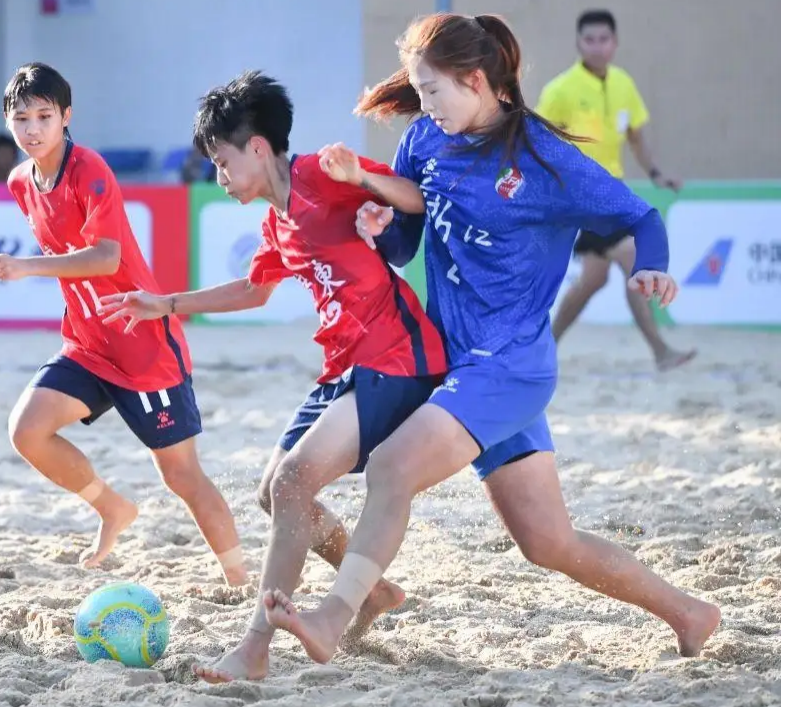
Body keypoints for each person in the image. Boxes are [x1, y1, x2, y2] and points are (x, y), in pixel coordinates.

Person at [259, 13, 721, 668]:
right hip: (456, 364)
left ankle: (332, 617)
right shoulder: (425, 139)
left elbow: (639, 213)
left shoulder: (542, 158)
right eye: (417, 94)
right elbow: (405, 243)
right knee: (546, 540)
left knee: (392, 466)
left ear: (476, 80)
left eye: (433, 91)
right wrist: (378, 222)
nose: (423, 108)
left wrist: (652, 264)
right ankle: (690, 612)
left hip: (506, 367)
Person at [96, 71, 445, 683]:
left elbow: (417, 199)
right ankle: (372, 591)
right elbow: (255, 291)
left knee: (291, 483)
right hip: (343, 367)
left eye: (222, 162)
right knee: (273, 493)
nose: (219, 177)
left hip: (397, 357)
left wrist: (364, 181)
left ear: (258, 147)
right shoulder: (276, 221)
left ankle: (254, 648)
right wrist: (164, 303)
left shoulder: (320, 175)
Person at [0, 62, 249, 585]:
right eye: (21, 118)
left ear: (66, 117)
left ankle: (240, 583)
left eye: (43, 116)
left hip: (141, 342)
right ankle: (112, 508)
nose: (32, 129)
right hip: (88, 342)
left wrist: (27, 267)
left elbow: (104, 258)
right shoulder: (19, 181)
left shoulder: (90, 169)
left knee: (181, 477)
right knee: (27, 431)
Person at [537, 10, 694, 370]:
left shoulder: (624, 83)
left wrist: (656, 173)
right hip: (580, 198)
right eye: (589, 40)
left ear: (615, 43)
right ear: (578, 43)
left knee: (592, 281)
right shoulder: (560, 90)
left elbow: (635, 137)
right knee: (635, 260)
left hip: (614, 194)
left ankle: (545, 348)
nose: (597, 46)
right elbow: (540, 143)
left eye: (603, 39)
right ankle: (661, 351)